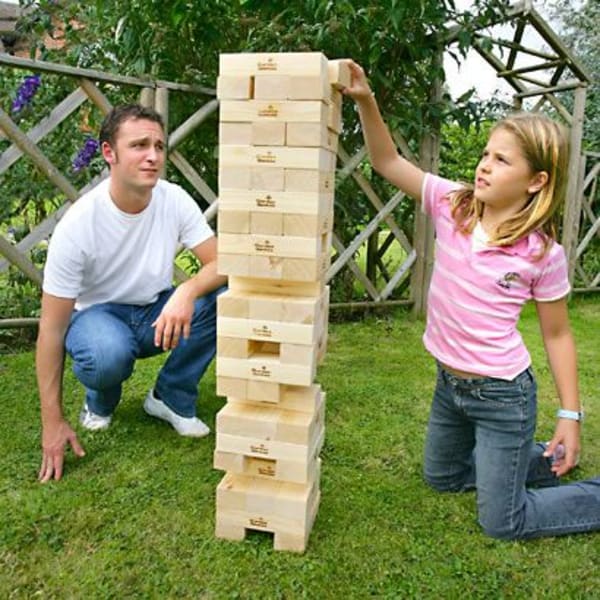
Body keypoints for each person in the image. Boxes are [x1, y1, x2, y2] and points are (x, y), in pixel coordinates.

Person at [343, 60, 600, 539]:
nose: (485, 164)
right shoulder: (452, 204)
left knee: (503, 523)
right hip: (450, 388)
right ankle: (524, 460)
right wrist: (366, 100)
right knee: (441, 479)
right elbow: (387, 161)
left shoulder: (542, 253)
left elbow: (559, 334)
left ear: (536, 181)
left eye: (503, 160)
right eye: (487, 154)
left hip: (503, 395)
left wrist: (571, 414)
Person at [36, 104, 227, 483]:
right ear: (109, 153)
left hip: (154, 311)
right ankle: (100, 401)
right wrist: (51, 421)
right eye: (139, 145)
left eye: (159, 145)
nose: (153, 156)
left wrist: (187, 290)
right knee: (107, 355)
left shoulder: (173, 199)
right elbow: (52, 332)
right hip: (97, 318)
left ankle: (169, 396)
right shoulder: (79, 224)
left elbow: (223, 262)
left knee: (225, 298)